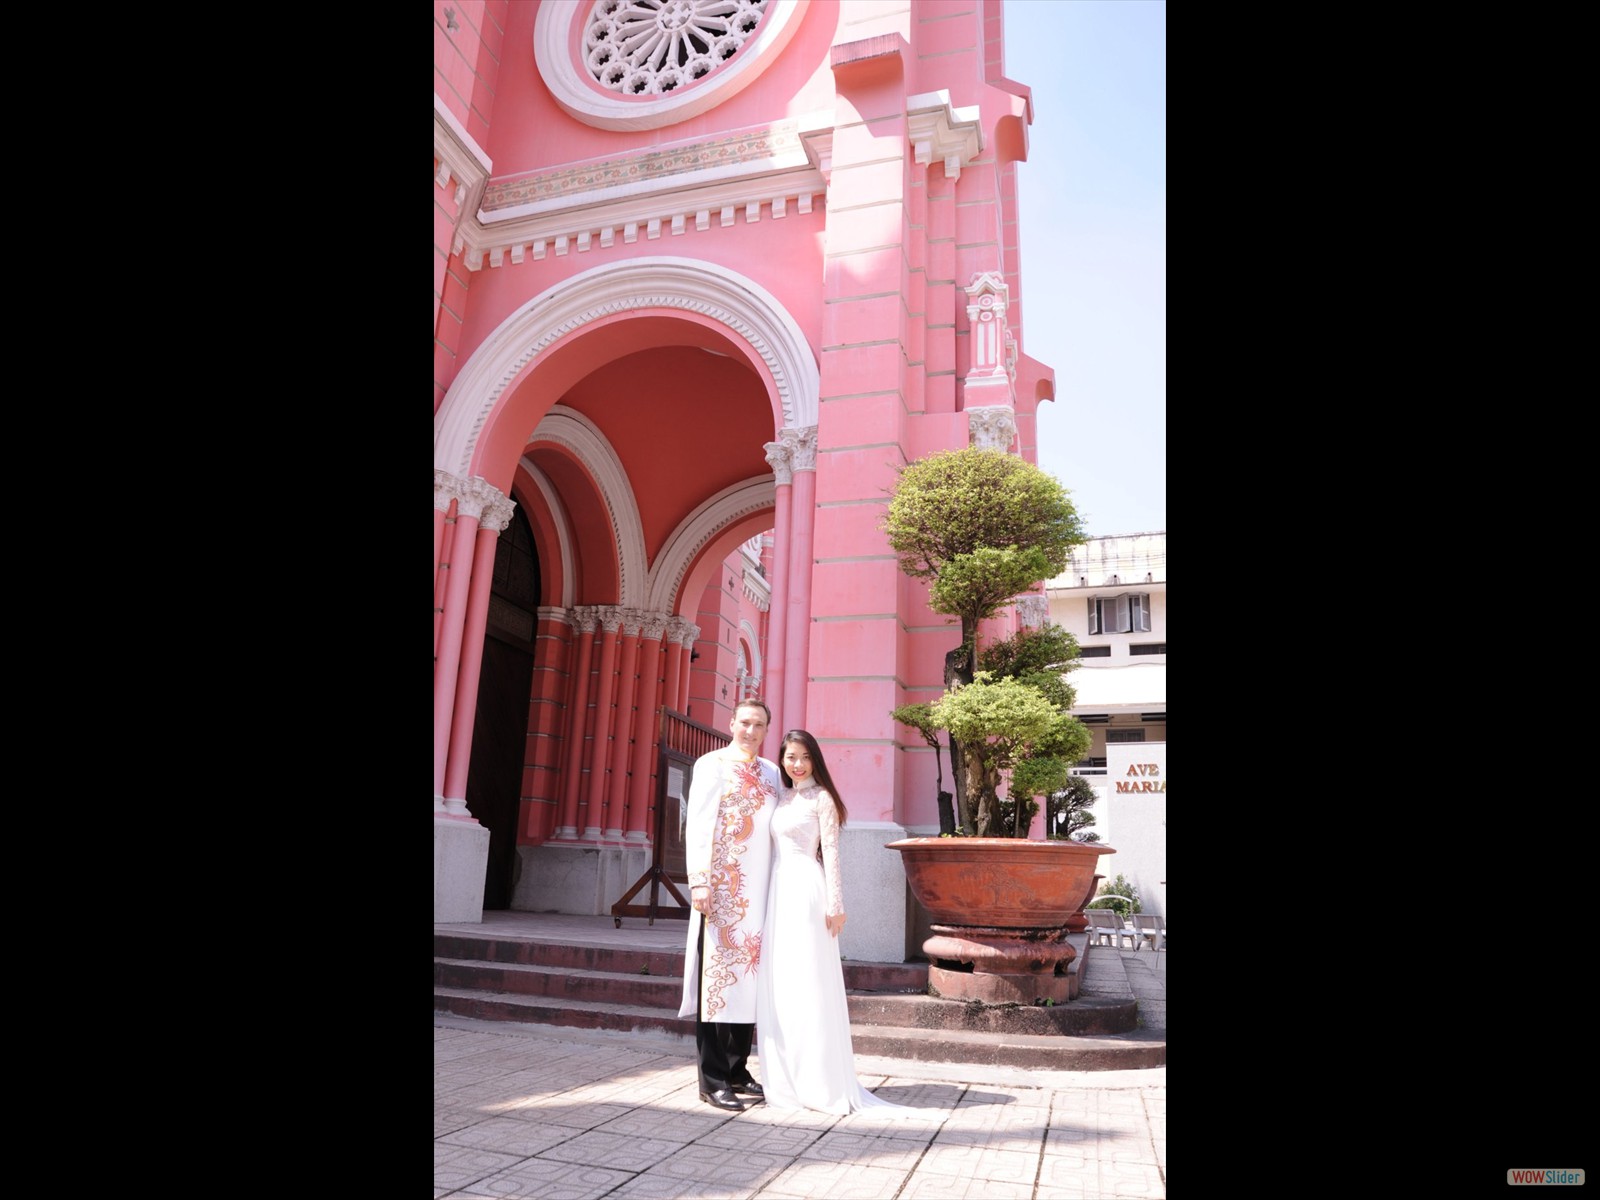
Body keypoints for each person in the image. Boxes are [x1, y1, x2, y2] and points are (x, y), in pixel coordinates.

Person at [754, 729, 918, 1116]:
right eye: (790, 757)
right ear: (782, 760)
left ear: (815, 760)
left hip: (807, 892)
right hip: (779, 891)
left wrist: (836, 903)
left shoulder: (822, 798)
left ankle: (819, 1081)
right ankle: (785, 1079)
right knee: (781, 983)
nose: (797, 764)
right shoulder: (781, 797)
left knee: (809, 981)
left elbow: (830, 851)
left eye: (804, 757)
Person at [677, 698, 779, 1112]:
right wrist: (699, 882)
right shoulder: (711, 765)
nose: (751, 731)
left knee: (749, 981)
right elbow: (699, 825)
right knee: (715, 983)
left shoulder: (772, 772)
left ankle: (738, 1069)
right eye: (745, 723)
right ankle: (713, 1078)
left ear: (767, 730)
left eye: (759, 725)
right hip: (721, 892)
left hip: (761, 893)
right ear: (732, 723)